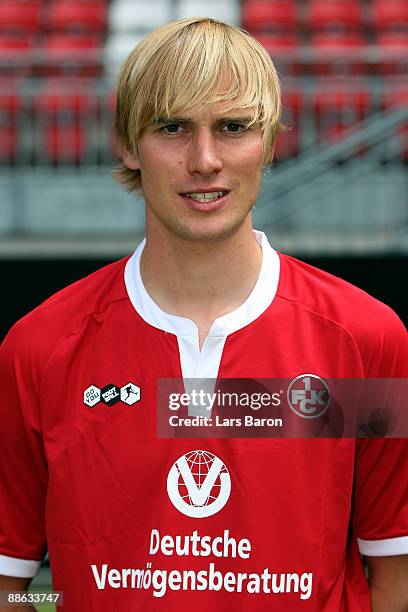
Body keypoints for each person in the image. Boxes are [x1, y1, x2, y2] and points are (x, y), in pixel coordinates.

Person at [0, 17, 407, 612]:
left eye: (233, 127)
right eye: (173, 127)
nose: (205, 159)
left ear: (268, 143)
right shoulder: (38, 348)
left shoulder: (366, 340)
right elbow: (13, 587)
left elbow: (393, 572)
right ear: (127, 143)